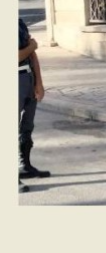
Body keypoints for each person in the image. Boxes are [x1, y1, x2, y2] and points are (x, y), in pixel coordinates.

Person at [18, 18, 49, 193]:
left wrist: (39, 83)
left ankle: (25, 165)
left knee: (27, 125)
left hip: (27, 77)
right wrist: (32, 46)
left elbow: (32, 55)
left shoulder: (19, 23)